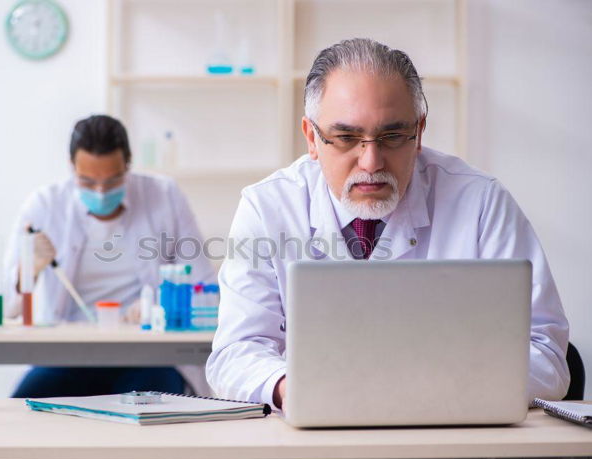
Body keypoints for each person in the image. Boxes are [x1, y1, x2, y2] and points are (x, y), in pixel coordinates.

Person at [206, 38, 570, 411]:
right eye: (347, 138)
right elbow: (236, 353)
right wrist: (290, 389)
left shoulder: (480, 202)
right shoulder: (268, 207)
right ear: (312, 138)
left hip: (452, 431)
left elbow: (546, 355)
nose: (371, 162)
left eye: (392, 136)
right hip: (312, 436)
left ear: (419, 132)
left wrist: (434, 388)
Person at [5, 115, 215, 397]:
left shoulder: (164, 195)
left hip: (148, 357)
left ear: (128, 164)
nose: (101, 192)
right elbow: (9, 308)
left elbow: (204, 285)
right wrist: (28, 270)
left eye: (113, 180)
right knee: (24, 409)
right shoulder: (45, 205)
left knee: (150, 416)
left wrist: (159, 307)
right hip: (67, 357)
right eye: (87, 181)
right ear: (71, 167)